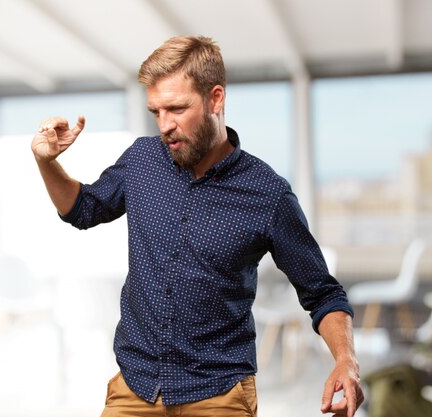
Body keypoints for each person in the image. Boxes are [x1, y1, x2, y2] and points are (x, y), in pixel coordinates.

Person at [31, 35, 363, 417]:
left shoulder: (267, 194)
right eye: (156, 111)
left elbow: (323, 293)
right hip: (134, 387)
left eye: (176, 108)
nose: (165, 125)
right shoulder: (141, 160)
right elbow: (82, 209)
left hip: (218, 394)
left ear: (215, 98)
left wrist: (346, 361)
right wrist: (46, 162)